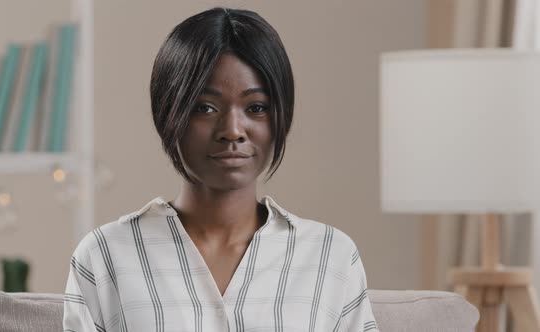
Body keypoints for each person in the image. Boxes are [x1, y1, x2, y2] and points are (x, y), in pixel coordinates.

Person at [63, 7, 378, 332]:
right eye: (205, 108)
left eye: (256, 108)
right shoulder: (105, 254)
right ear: (169, 113)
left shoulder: (331, 254)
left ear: (280, 117)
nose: (232, 130)